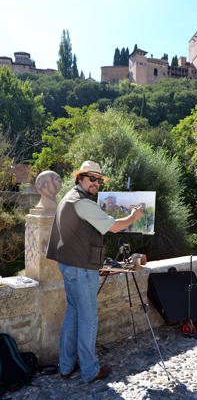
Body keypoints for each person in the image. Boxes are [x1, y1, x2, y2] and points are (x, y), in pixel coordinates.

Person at [46, 160, 143, 383]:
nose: (96, 183)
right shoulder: (82, 202)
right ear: (80, 178)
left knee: (73, 313)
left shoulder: (69, 197)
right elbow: (114, 227)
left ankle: (66, 366)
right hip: (80, 268)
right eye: (92, 178)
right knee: (88, 319)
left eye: (98, 179)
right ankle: (90, 371)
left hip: (69, 265)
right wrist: (133, 217)